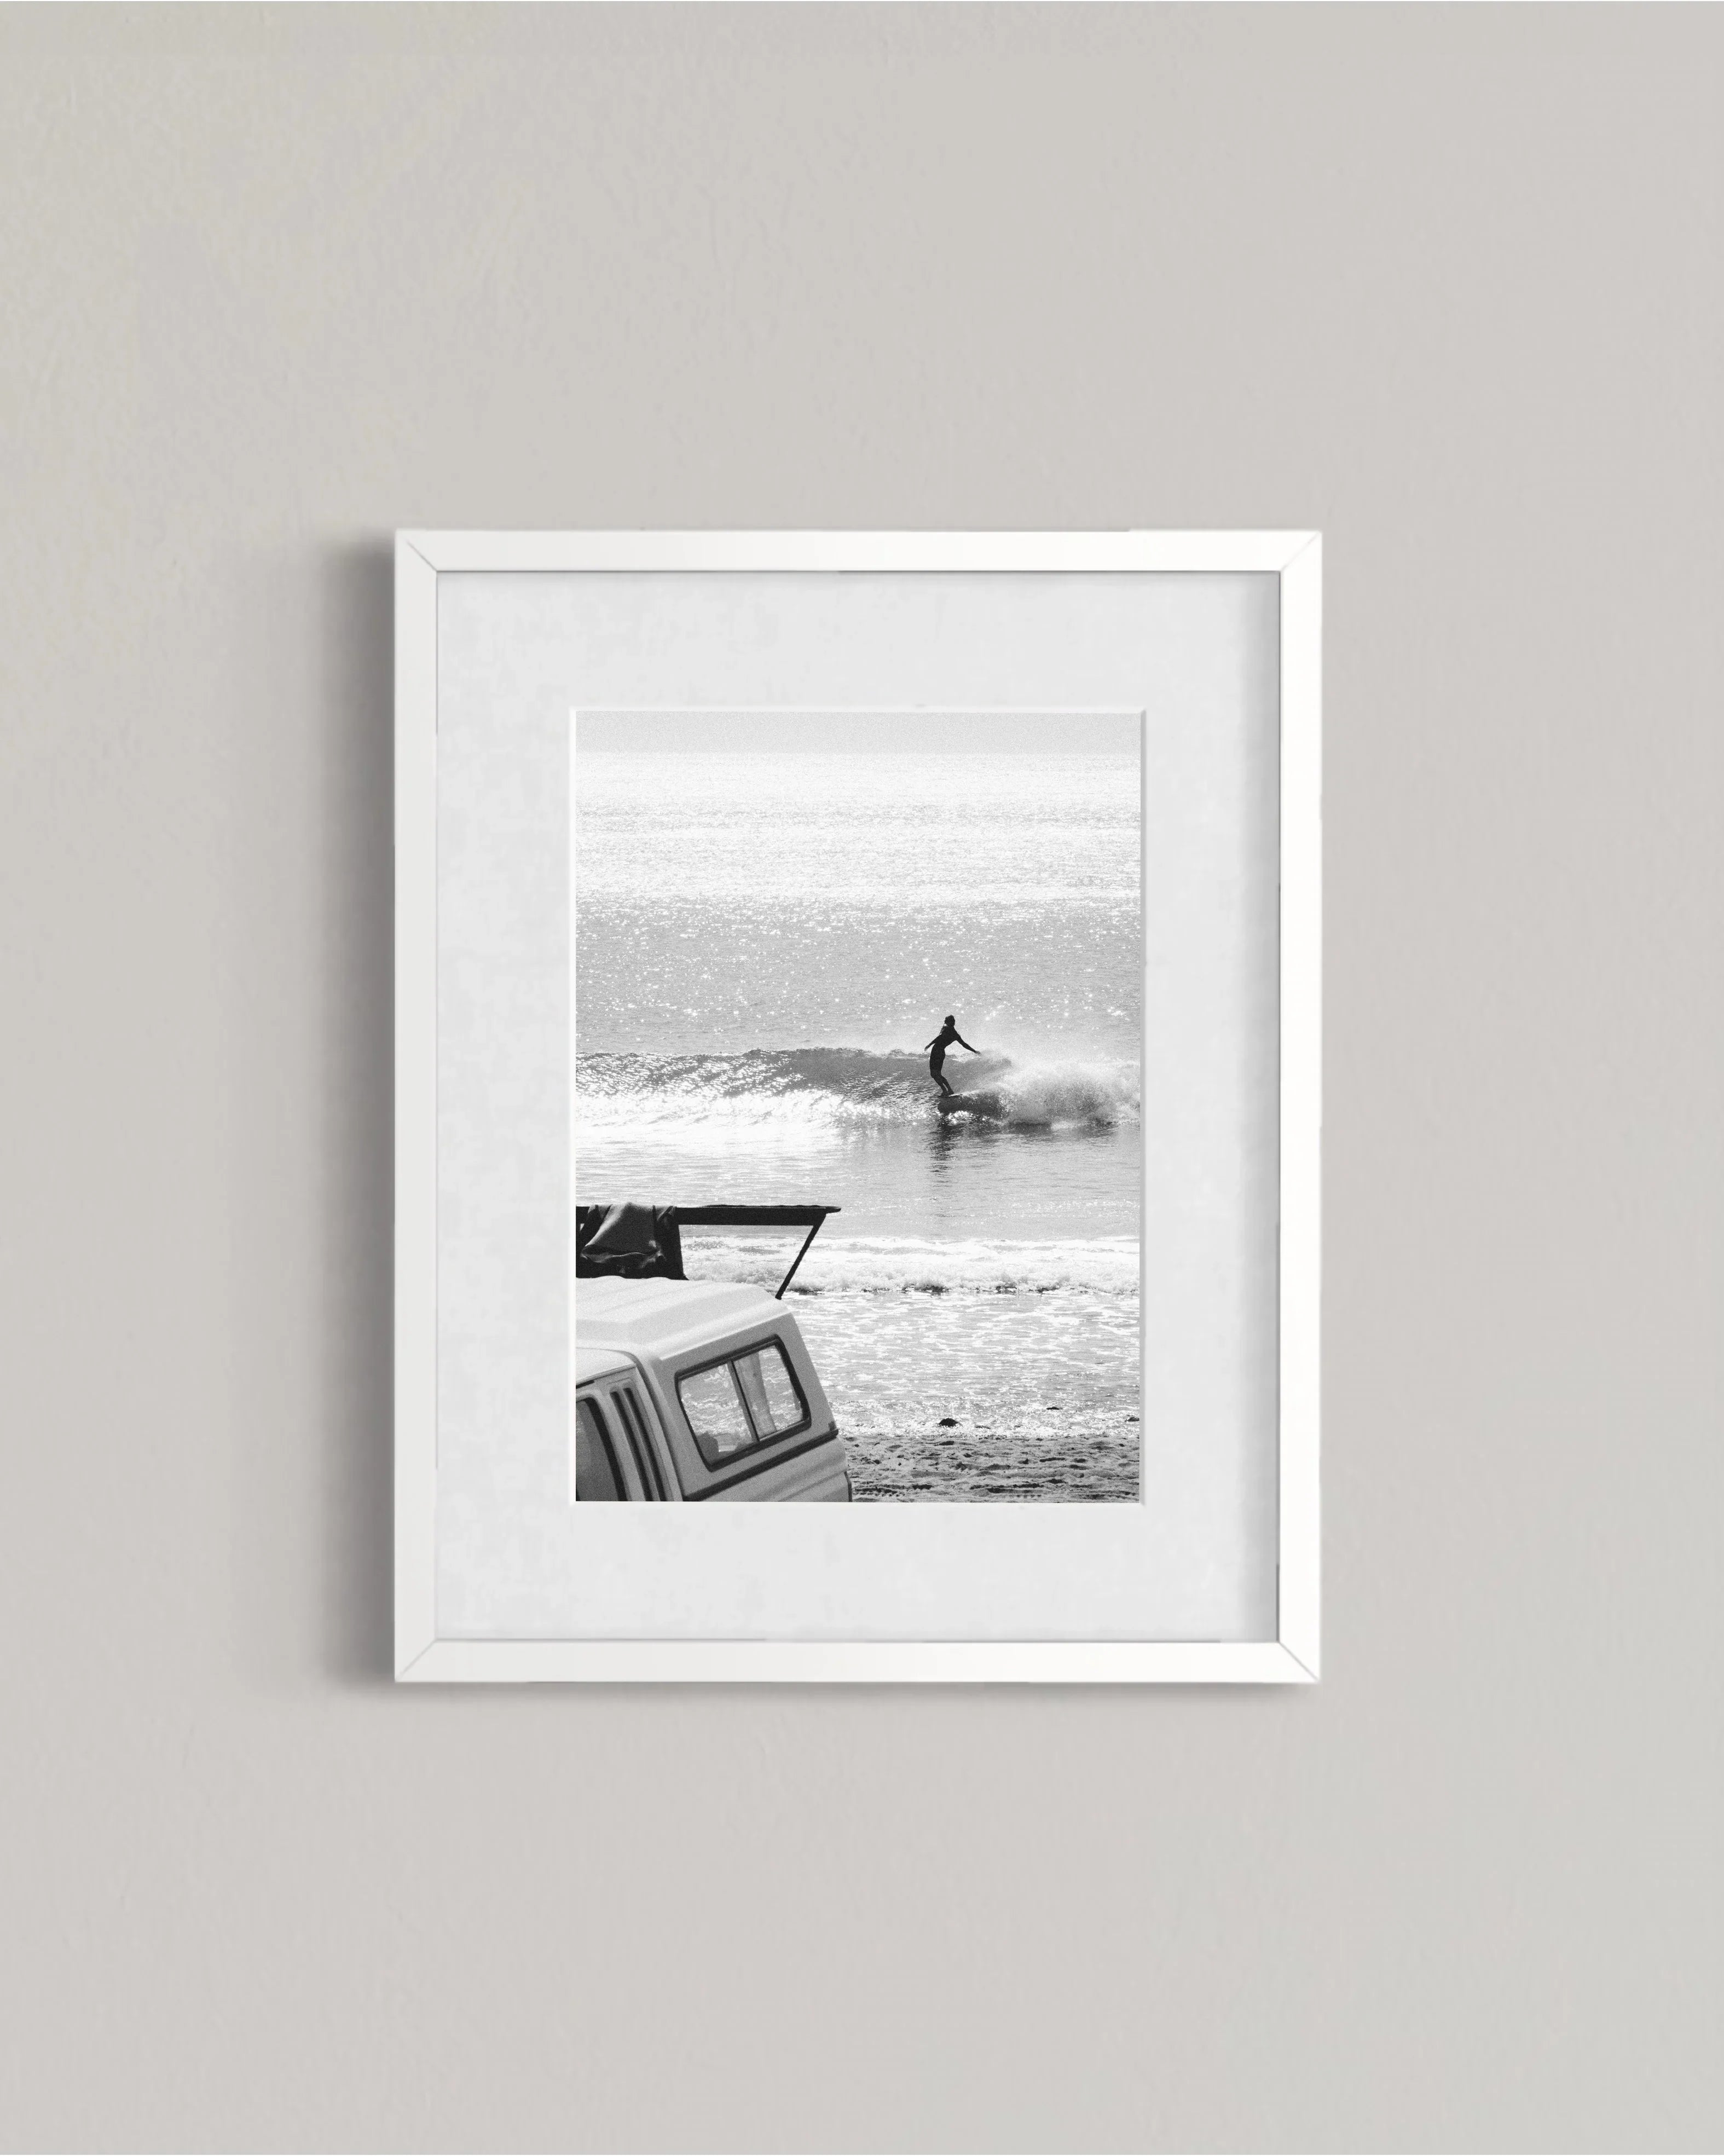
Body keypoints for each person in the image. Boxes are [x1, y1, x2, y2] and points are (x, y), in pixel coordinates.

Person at [925, 1014, 980, 1096]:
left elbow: (939, 1038)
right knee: (938, 1074)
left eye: (946, 1022)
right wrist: (974, 1051)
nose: (944, 1023)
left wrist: (930, 1044)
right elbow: (964, 1045)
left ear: (949, 1022)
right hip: (942, 1052)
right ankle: (949, 1090)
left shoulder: (945, 1028)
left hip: (936, 1051)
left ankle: (945, 1090)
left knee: (934, 1074)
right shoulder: (956, 1035)